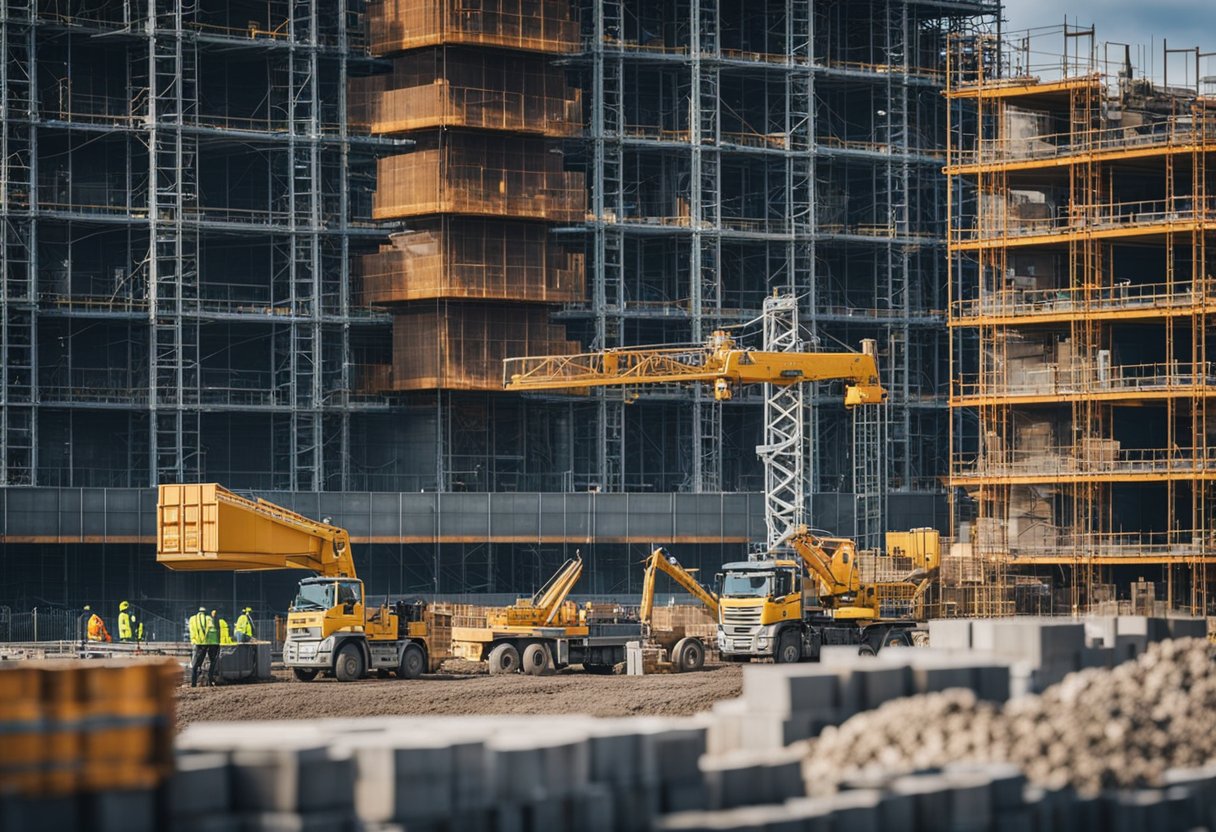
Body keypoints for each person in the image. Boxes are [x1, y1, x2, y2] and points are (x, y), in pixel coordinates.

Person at [188, 606, 219, 687]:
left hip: (197, 643)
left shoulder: (192, 619)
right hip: (211, 642)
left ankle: (193, 683)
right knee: (212, 662)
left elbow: (191, 630)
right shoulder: (209, 618)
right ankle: (210, 680)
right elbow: (213, 630)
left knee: (196, 664)